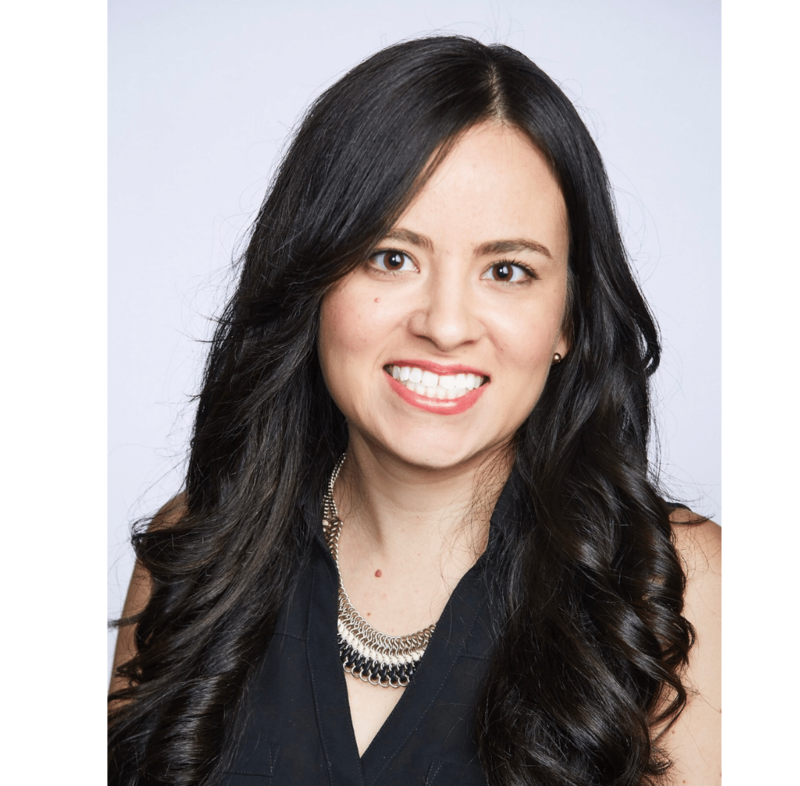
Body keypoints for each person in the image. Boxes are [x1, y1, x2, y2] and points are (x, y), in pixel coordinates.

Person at [107, 36, 722, 786]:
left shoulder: (682, 583)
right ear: (314, 280)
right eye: (391, 257)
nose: (446, 323)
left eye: (507, 270)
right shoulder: (194, 548)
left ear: (568, 319)